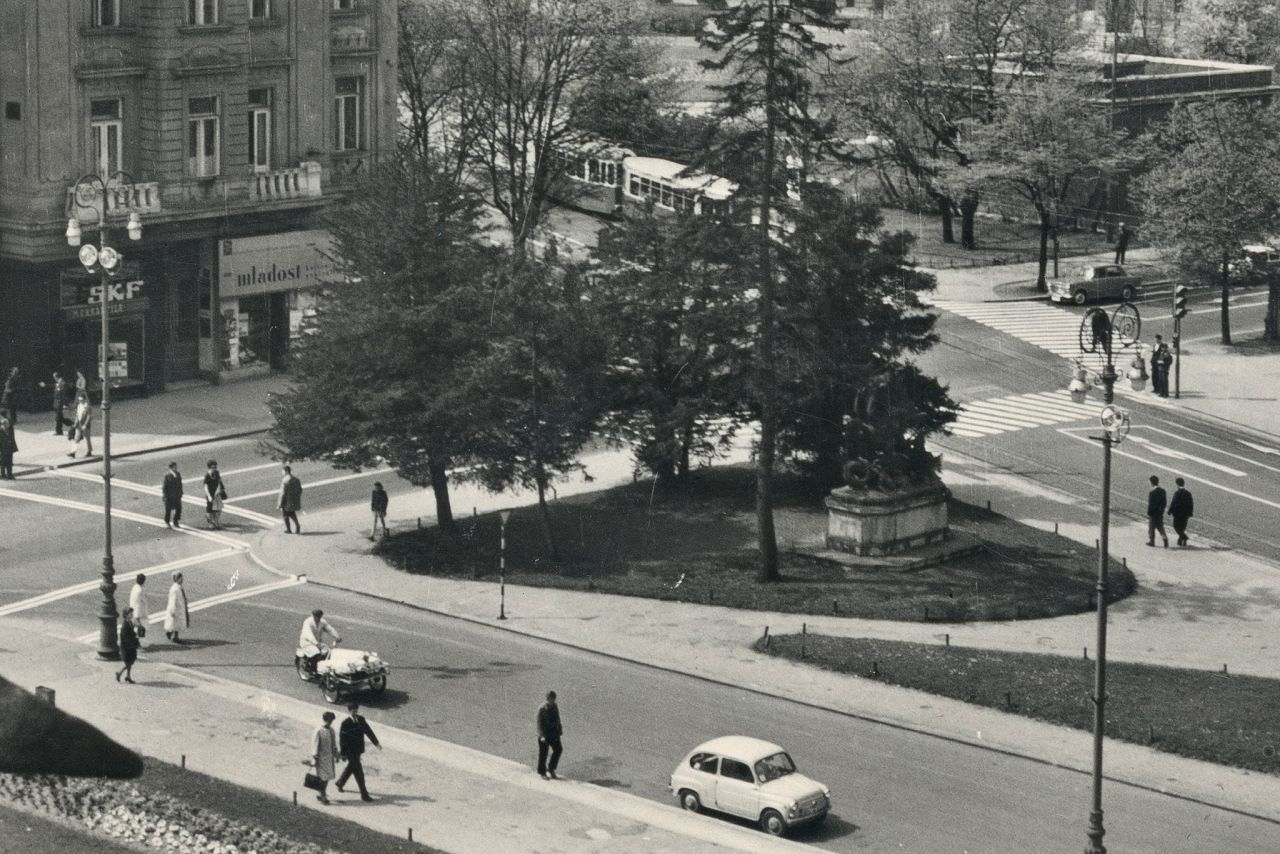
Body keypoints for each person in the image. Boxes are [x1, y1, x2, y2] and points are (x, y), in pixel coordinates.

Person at [336, 701, 381, 801]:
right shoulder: (345, 723)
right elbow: (342, 739)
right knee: (359, 773)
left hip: (358, 750)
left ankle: (340, 782)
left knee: (351, 768)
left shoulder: (361, 720)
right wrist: (343, 753)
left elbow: (368, 731)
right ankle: (364, 795)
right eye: (353, 710)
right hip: (350, 751)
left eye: (356, 710)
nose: (355, 712)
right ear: (349, 711)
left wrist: (376, 743)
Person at [311, 711, 340, 804]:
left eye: (331, 721)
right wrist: (315, 757)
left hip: (329, 758)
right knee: (323, 778)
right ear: (326, 720)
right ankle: (323, 797)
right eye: (330, 720)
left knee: (326, 778)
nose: (331, 722)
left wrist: (336, 755)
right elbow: (315, 744)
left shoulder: (331, 730)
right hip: (321, 759)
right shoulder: (319, 730)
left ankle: (321, 794)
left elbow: (334, 744)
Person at [536, 690, 563, 780]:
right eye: (549, 699)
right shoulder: (541, 708)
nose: (550, 701)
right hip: (544, 734)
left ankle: (551, 768)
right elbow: (539, 724)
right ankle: (542, 772)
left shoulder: (555, 706)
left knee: (558, 749)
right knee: (543, 753)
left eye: (552, 699)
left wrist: (560, 729)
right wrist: (542, 736)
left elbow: (558, 718)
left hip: (553, 733)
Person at [1168, 477, 1195, 547]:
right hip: (1185, 514)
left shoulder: (1177, 493)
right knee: (1182, 527)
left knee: (1176, 526)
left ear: (1177, 484)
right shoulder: (1188, 493)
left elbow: (1174, 503)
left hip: (1178, 514)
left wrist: (1170, 511)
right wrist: (1190, 512)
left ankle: (1184, 537)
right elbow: (1191, 503)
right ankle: (1181, 541)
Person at [164, 571, 190, 643]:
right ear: (177, 579)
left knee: (176, 623)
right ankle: (174, 636)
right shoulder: (174, 589)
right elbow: (172, 601)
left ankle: (171, 634)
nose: (182, 580)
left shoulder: (179, 587)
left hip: (180, 608)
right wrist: (172, 610)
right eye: (181, 579)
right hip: (176, 609)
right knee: (175, 623)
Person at [115, 608, 139, 684]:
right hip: (127, 647)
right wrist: (134, 639)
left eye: (132, 613)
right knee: (128, 663)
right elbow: (125, 637)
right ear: (126, 615)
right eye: (130, 613)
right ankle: (119, 673)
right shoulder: (125, 625)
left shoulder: (129, 622)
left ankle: (128, 677)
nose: (132, 614)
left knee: (130, 662)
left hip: (130, 646)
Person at [278, 465, 302, 534]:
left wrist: (280, 504)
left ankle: (288, 529)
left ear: (286, 471)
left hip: (286, 501)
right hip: (293, 500)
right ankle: (297, 525)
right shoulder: (296, 479)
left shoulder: (285, 481)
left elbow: (283, 493)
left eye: (282, 471)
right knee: (292, 513)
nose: (282, 473)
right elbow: (300, 490)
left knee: (285, 515)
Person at [68, 391, 93, 458]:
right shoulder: (79, 406)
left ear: (84, 399)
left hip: (85, 425)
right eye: (79, 400)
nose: (80, 401)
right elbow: (77, 415)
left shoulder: (87, 406)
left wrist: (85, 425)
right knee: (76, 438)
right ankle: (73, 452)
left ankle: (89, 451)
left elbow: (89, 416)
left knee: (87, 439)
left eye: (81, 400)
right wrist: (75, 423)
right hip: (79, 424)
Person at [1146, 475, 1169, 548]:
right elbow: (1164, 503)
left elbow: (1151, 504)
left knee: (1151, 527)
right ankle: (1164, 538)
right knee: (1160, 526)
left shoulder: (1152, 492)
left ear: (1152, 482)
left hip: (1153, 513)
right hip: (1160, 512)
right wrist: (1161, 510)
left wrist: (1149, 512)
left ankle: (1152, 541)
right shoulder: (1163, 491)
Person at [203, 460, 226, 529]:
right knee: (210, 510)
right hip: (211, 494)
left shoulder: (216, 473)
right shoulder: (207, 475)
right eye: (213, 467)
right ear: (209, 468)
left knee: (218, 508)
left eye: (215, 467)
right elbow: (205, 486)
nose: (215, 468)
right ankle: (210, 523)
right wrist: (209, 496)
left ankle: (216, 522)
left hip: (217, 493)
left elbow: (219, 481)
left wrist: (222, 489)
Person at [128, 573, 149, 648]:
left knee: (136, 628)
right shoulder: (140, 590)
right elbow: (138, 603)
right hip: (139, 612)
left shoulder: (135, 587)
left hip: (134, 610)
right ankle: (135, 642)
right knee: (140, 628)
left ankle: (135, 642)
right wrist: (137, 615)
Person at [162, 462, 184, 528]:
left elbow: (180, 484)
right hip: (170, 496)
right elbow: (165, 487)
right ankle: (167, 522)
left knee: (179, 509)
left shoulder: (178, 474)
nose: (176, 468)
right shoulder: (167, 475)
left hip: (177, 495)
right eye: (175, 467)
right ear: (171, 468)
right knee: (168, 510)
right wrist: (165, 495)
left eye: (176, 467)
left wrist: (181, 492)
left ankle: (176, 521)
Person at [51, 371, 70, 436]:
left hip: (60, 403)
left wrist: (65, 404)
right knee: (60, 417)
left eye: (54, 377)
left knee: (58, 417)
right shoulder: (57, 383)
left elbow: (64, 395)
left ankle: (59, 431)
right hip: (56, 402)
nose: (54, 379)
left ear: (57, 377)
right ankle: (71, 423)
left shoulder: (63, 383)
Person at [0, 412, 15, 480]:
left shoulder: (9, 430)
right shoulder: (1, 431)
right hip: (3, 450)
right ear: (4, 425)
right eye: (7, 424)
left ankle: (10, 475)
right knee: (3, 463)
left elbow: (12, 438)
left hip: (9, 449)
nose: (8, 426)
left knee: (9, 463)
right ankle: (3, 475)